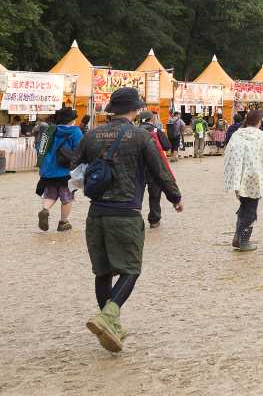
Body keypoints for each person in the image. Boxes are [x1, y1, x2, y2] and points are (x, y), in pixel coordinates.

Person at [62, 87, 183, 352]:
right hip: (125, 212)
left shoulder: (91, 135)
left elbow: (72, 165)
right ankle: (108, 316)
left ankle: (112, 326)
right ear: (135, 109)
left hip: (96, 214)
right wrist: (175, 197)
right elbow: (159, 170)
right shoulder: (140, 136)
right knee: (131, 269)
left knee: (102, 271)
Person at [223, 109, 263, 251]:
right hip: (255, 178)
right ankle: (243, 242)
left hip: (238, 178)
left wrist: (233, 175)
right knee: (251, 210)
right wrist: (262, 172)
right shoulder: (262, 138)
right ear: (259, 122)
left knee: (245, 206)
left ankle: (237, 238)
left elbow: (228, 154)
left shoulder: (237, 135)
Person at [35, 107, 83, 232]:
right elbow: (80, 150)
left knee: (50, 194)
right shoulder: (75, 131)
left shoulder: (49, 130)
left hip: (49, 171)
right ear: (71, 120)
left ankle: (45, 210)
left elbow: (39, 147)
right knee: (67, 198)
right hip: (66, 172)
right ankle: (63, 222)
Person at [138, 110, 175, 229]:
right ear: (151, 119)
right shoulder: (156, 131)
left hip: (138, 168)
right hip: (155, 167)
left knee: (136, 194)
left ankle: (136, 219)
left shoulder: (133, 131)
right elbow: (167, 146)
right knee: (155, 195)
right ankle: (154, 220)